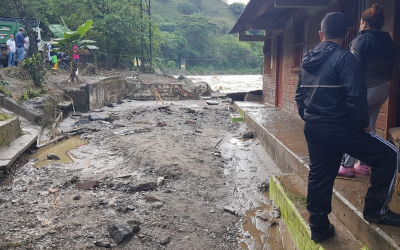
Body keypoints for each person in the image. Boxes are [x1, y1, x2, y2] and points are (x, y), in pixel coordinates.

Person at [295, 12, 400, 243]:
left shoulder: (306, 59)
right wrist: (362, 125)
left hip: (314, 128)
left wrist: (311, 119)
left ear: (320, 34)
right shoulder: (346, 58)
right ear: (346, 34)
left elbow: (299, 97)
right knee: (390, 154)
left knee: (320, 174)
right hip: (340, 128)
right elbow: (356, 97)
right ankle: (376, 211)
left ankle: (319, 226)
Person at [338, 3, 397, 177]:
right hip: (383, 88)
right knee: (369, 125)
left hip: (366, 89)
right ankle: (362, 165)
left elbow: (353, 70)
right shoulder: (389, 42)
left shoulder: (361, 40)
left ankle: (347, 166)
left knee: (352, 125)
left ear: (364, 22)